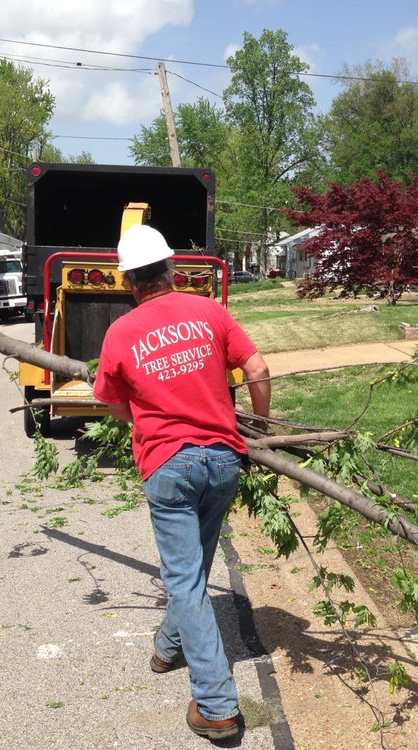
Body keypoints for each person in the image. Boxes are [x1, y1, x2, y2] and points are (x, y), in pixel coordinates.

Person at [93, 224, 271, 741]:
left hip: (169, 468)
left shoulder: (121, 333)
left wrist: (143, 417)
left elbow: (115, 408)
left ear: (129, 280)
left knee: (185, 579)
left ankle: (216, 706)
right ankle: (168, 647)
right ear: (171, 270)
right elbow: (257, 369)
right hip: (223, 461)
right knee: (195, 565)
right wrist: (258, 428)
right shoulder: (209, 311)